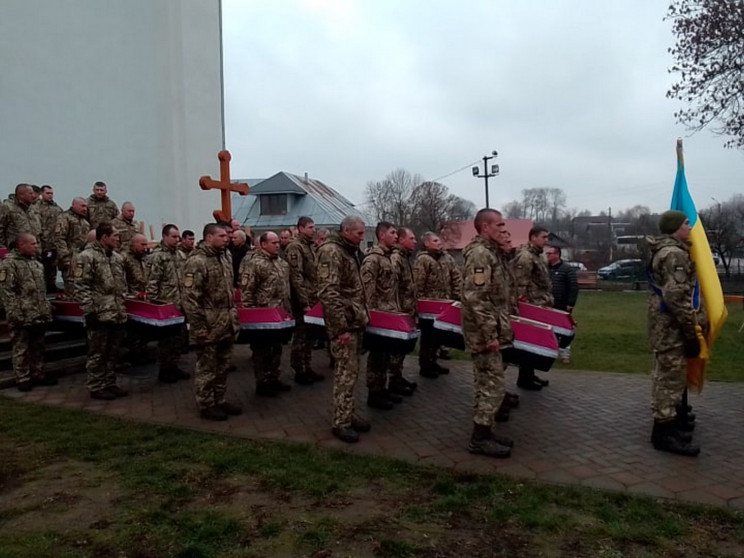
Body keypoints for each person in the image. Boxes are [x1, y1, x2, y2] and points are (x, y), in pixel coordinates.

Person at [646, 210, 705, 457]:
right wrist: (691, 333)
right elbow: (676, 298)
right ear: (674, 228)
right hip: (671, 326)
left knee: (668, 377)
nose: (690, 226)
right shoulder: (674, 254)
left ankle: (667, 427)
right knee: (669, 379)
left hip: (665, 325)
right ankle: (664, 433)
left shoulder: (669, 250)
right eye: (685, 223)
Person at [461, 208, 512, 458]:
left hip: (491, 330)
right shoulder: (481, 255)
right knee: (494, 386)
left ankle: (485, 431)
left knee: (485, 384)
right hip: (483, 334)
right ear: (484, 227)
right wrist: (491, 334)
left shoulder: (491, 253)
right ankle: (479, 438)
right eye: (499, 225)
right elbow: (476, 298)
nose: (504, 230)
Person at [316, 216, 371, 443]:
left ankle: (347, 413)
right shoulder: (332, 252)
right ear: (346, 231)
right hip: (344, 324)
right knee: (345, 375)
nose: (361, 237)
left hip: (354, 320)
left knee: (352, 373)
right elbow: (329, 293)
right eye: (358, 233)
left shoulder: (348, 251)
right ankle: (340, 422)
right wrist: (340, 329)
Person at [181, 223, 242, 421]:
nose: (227, 238)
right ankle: (206, 403)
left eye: (228, 235)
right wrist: (198, 328)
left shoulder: (225, 256)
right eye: (222, 236)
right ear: (209, 237)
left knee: (223, 365)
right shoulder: (197, 261)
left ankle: (220, 399)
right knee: (207, 366)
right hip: (208, 325)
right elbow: (190, 298)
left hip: (226, 322)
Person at [76, 222, 129, 400]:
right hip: (98, 314)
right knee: (98, 352)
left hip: (117, 312)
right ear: (104, 237)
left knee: (113, 351)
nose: (118, 238)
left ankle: (109, 382)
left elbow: (121, 285)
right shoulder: (86, 257)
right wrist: (89, 311)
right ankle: (96, 385)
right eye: (115, 235)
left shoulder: (116, 257)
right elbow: (82, 286)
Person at [239, 231, 293, 396]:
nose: (277, 245)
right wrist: (249, 317)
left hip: (279, 315)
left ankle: (273, 378)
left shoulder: (281, 263)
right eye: (273, 242)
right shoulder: (254, 264)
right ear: (263, 244)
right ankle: (262, 383)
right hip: (261, 316)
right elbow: (247, 292)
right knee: (262, 351)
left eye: (278, 242)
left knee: (276, 349)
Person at [0, 233, 55, 391]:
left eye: (36, 243)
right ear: (21, 245)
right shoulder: (9, 264)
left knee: (38, 346)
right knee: (21, 348)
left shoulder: (36, 263)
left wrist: (46, 307)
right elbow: (7, 293)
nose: (36, 246)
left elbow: (40, 290)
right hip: (21, 314)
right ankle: (22, 378)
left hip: (38, 313)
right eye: (33, 244)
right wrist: (16, 313)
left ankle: (38, 373)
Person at [361, 221, 403, 410]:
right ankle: (374, 393)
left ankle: (382, 388)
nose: (396, 236)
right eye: (393, 233)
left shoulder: (388, 258)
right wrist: (369, 318)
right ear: (381, 236)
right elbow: (367, 292)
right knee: (377, 357)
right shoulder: (373, 259)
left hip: (389, 314)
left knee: (385, 356)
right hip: (378, 317)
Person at [510, 226, 554, 390]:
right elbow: (521, 283)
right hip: (531, 306)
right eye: (543, 237)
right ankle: (524, 378)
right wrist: (524, 304)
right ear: (533, 237)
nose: (546, 241)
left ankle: (530, 374)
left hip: (540, 303)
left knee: (536, 342)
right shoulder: (525, 257)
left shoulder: (539, 254)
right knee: (528, 343)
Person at [413, 232, 461, 378]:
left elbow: (456, 278)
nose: (439, 243)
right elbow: (417, 285)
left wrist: (458, 298)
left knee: (438, 336)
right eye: (435, 241)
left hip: (445, 306)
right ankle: (425, 365)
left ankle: (434, 361)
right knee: (428, 337)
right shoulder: (423, 260)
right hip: (428, 308)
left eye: (439, 240)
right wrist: (417, 307)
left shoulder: (447, 258)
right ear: (427, 243)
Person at [146, 224, 188, 383]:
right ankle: (164, 369)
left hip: (180, 303)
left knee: (179, 338)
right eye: (174, 237)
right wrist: (154, 304)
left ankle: (174, 366)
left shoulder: (180, 255)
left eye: (178, 237)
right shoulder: (157, 256)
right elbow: (152, 282)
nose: (177, 240)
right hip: (166, 304)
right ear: (164, 236)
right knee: (166, 340)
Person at [286, 216, 324, 385]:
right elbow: (296, 276)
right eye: (310, 227)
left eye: (313, 227)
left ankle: (307, 366)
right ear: (300, 228)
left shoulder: (310, 246)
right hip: (303, 300)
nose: (313, 230)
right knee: (301, 336)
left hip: (314, 297)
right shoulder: (295, 247)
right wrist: (304, 302)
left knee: (310, 335)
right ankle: (299, 369)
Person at [388, 227, 418, 396]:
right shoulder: (396, 258)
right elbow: (393, 288)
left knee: (402, 350)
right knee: (396, 350)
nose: (415, 241)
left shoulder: (405, 258)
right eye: (411, 238)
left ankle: (397, 377)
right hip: (400, 310)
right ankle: (393, 380)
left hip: (408, 309)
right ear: (401, 240)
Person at [546, 245, 579, 364]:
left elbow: (573, 287)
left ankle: (565, 353)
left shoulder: (567, 269)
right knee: (550, 330)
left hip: (562, 305)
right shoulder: (545, 268)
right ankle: (551, 352)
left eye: (550, 254)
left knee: (566, 331)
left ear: (557, 255)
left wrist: (570, 303)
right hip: (547, 305)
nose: (547, 256)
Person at [55, 197, 91, 296]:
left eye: (86, 207)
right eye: (82, 206)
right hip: (70, 258)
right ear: (74, 205)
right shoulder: (65, 218)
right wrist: (65, 258)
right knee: (71, 289)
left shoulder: (85, 222)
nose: (85, 209)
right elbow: (59, 239)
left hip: (82, 259)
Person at [35, 185, 63, 291]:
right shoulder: (36, 208)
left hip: (53, 242)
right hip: (40, 242)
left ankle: (52, 284)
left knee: (52, 265)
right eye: (48, 193)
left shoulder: (57, 208)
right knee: (41, 266)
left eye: (51, 193)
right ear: (42, 193)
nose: (50, 195)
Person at [0, 183, 42, 249]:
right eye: (30, 193)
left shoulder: (33, 209)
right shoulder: (8, 207)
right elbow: (1, 227)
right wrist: (2, 247)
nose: (33, 196)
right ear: (21, 195)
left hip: (34, 250)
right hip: (15, 251)